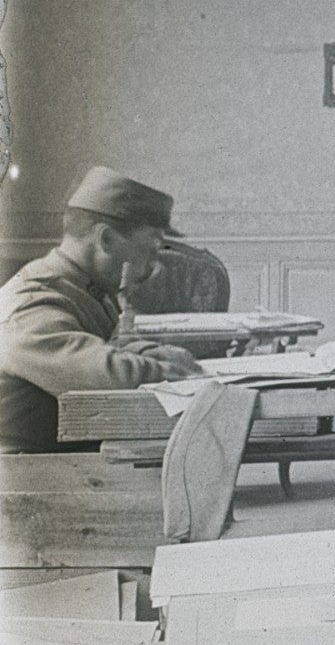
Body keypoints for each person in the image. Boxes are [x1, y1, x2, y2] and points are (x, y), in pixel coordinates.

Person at [0, 167, 202, 453]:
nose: (153, 263)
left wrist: (156, 354)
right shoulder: (31, 302)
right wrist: (188, 377)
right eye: (151, 247)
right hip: (27, 471)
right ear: (106, 239)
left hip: (63, 455)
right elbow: (111, 376)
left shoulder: (82, 288)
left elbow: (110, 345)